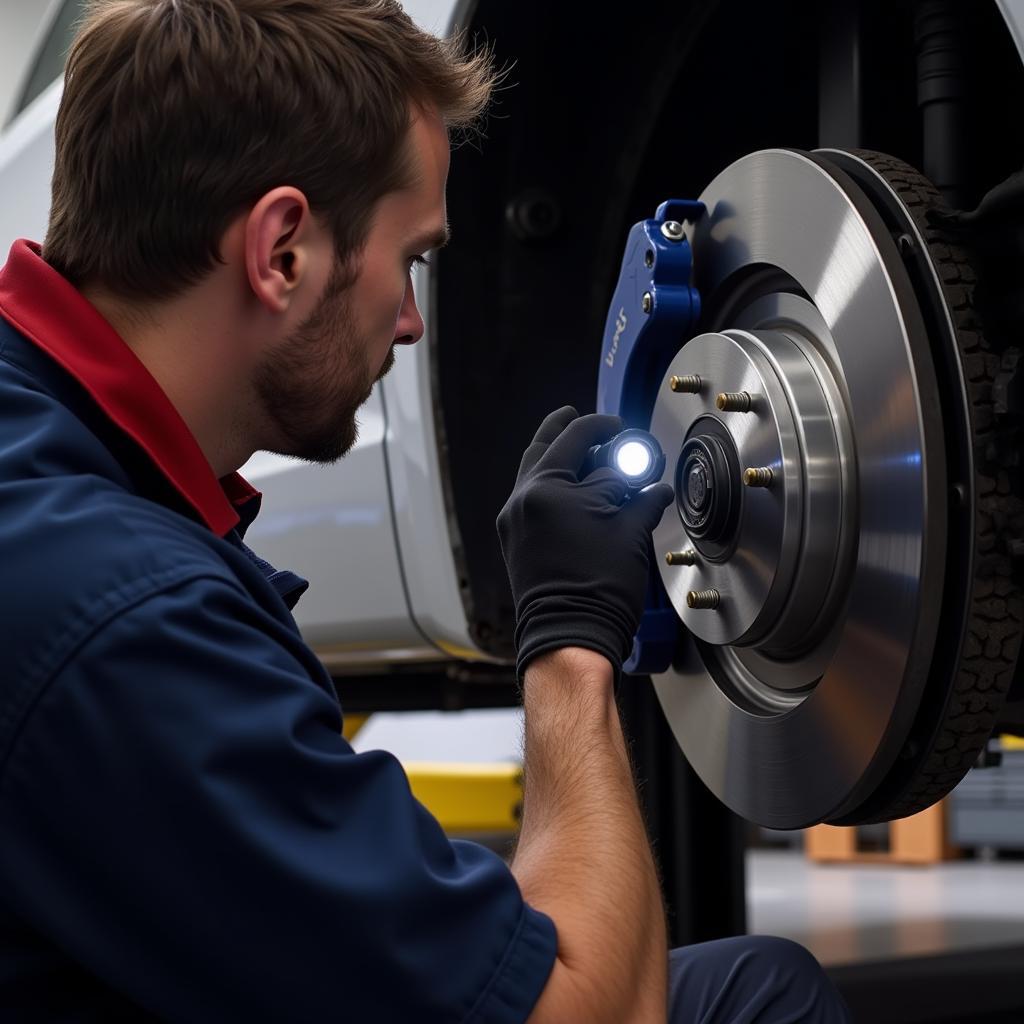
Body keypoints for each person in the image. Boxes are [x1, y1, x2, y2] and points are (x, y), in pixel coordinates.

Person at [0, 1, 850, 1020]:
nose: (410, 323)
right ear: (281, 253)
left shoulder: (48, 470)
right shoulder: (123, 621)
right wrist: (569, 638)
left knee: (757, 983)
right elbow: (599, 1012)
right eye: (410, 259)